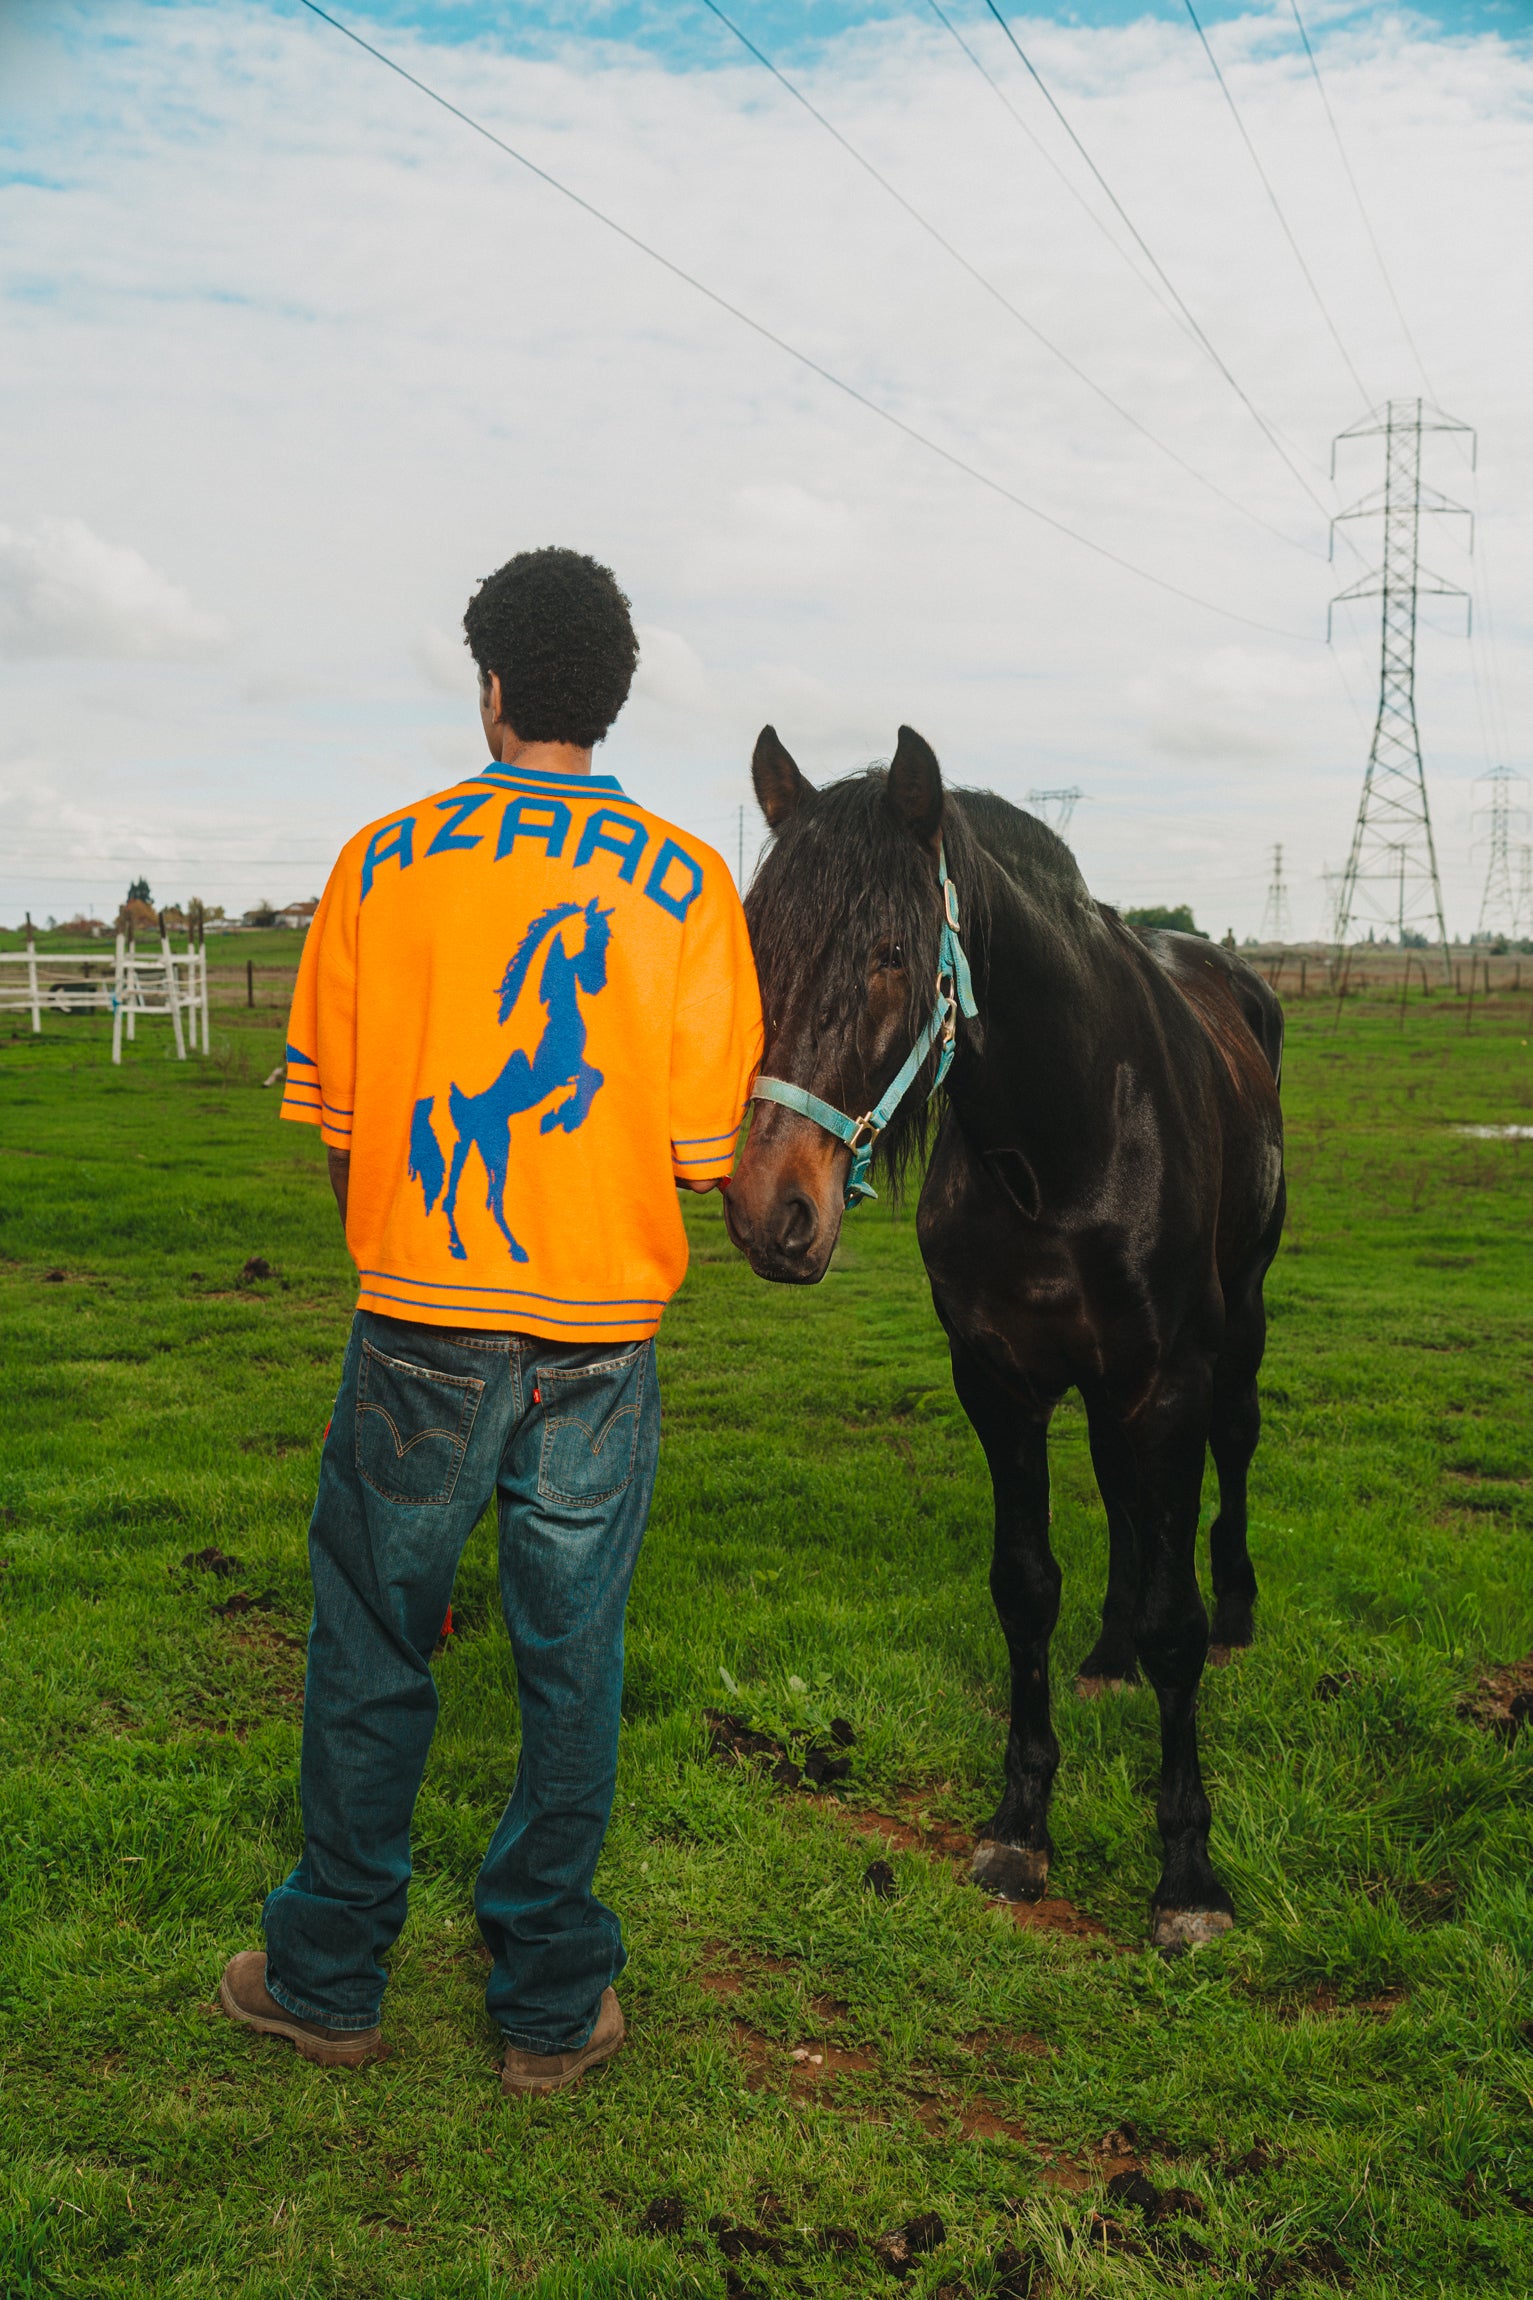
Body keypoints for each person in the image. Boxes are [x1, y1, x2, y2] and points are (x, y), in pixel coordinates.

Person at [219, 548, 762, 2094]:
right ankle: (545, 2010)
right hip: (598, 1337)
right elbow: (690, 1150)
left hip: (416, 1323)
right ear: (613, 696)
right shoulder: (686, 887)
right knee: (567, 1661)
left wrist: (402, 1243)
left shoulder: (380, 861)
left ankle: (329, 1983)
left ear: (494, 687)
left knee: (372, 1644)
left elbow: (339, 1126)